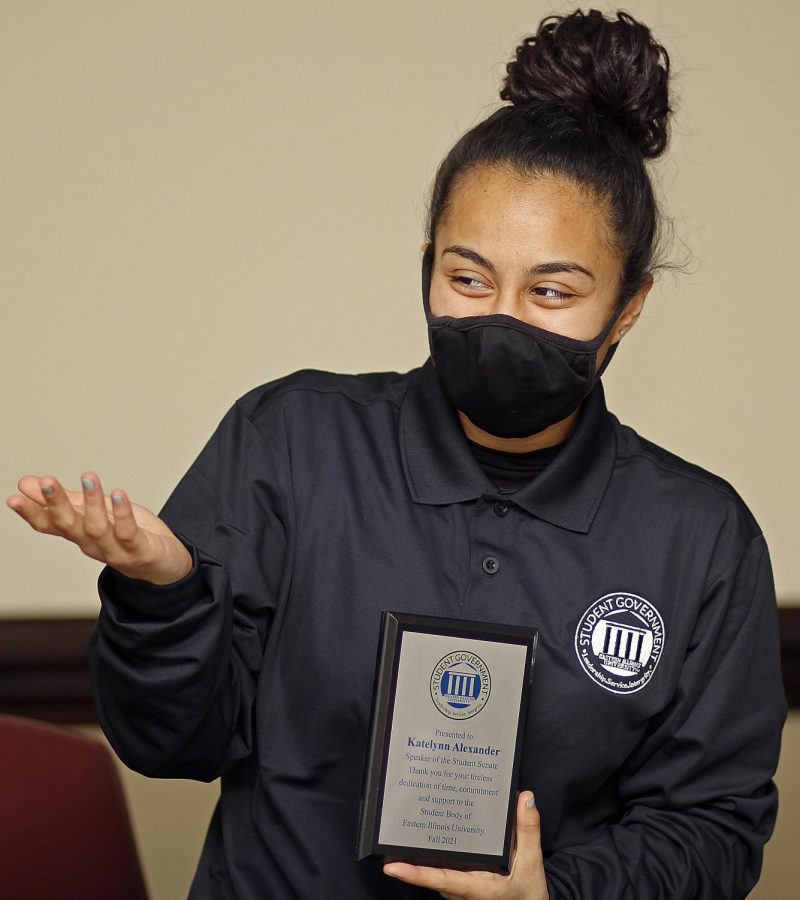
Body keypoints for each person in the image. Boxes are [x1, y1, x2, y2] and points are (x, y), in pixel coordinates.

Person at [6, 8, 786, 900]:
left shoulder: (699, 537)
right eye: (468, 278)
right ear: (426, 268)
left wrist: (558, 893)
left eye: (553, 290)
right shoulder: (292, 442)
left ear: (629, 306)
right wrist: (164, 597)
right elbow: (167, 745)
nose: (502, 317)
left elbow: (715, 828)